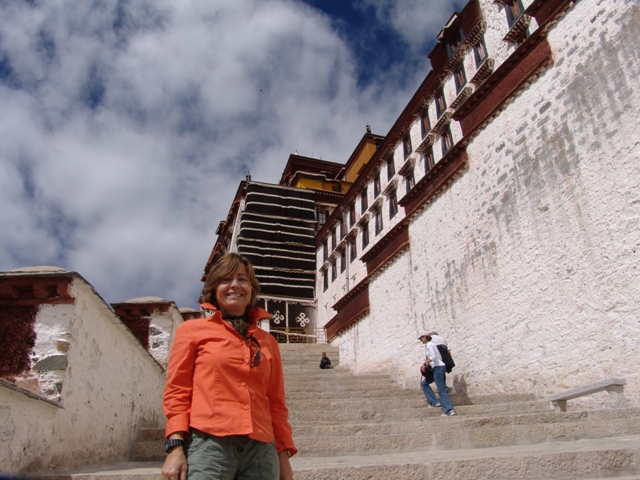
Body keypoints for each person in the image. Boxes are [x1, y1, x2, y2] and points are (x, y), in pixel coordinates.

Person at [162, 253, 296, 480]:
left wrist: (283, 456)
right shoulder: (192, 331)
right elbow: (178, 391)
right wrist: (175, 447)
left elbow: (275, 402)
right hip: (209, 445)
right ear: (214, 288)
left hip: (261, 450)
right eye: (226, 279)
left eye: (242, 279)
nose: (235, 285)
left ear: (252, 288)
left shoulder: (268, 342)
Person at [418, 334, 456, 417]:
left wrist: (425, 363)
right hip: (438, 367)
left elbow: (434, 356)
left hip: (438, 368)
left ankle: (449, 410)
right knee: (424, 384)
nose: (420, 340)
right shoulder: (432, 344)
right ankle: (434, 402)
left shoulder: (429, 344)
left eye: (421, 338)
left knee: (441, 390)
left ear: (425, 337)